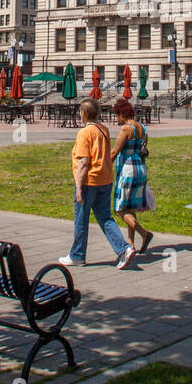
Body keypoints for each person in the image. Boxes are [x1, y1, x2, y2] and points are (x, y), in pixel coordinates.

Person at [61, 98, 136, 269]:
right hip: (105, 179)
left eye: (80, 111)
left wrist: (79, 187)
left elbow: (83, 162)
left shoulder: (84, 133)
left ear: (84, 114)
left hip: (90, 180)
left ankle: (77, 255)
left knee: (81, 218)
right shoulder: (104, 129)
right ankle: (124, 249)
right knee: (105, 217)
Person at [111, 98, 154, 252]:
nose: (117, 119)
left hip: (128, 170)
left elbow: (115, 151)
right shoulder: (143, 129)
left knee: (119, 209)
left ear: (122, 114)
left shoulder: (125, 129)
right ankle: (131, 243)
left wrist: (102, 166)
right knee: (131, 208)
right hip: (141, 168)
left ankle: (144, 233)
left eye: (117, 115)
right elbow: (143, 149)